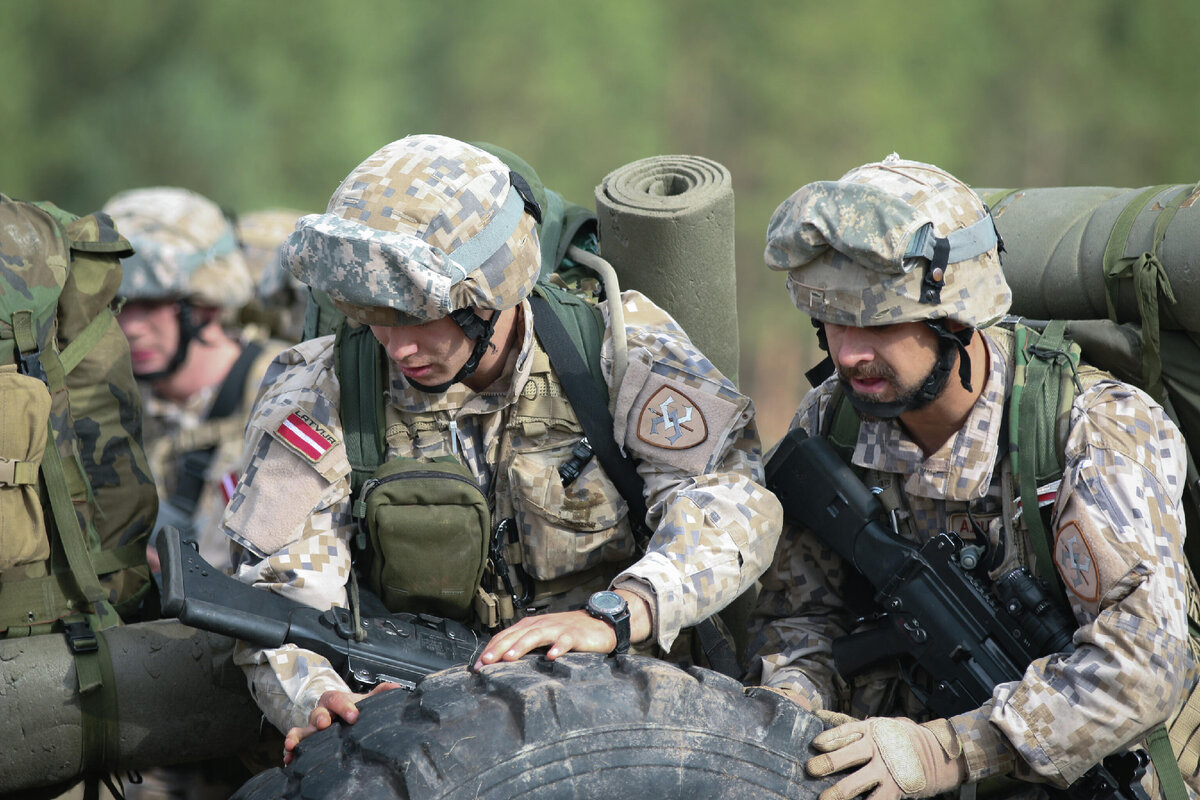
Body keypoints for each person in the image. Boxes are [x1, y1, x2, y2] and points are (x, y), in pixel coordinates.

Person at [218, 134, 782, 760]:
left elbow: (731, 500)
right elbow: (277, 589)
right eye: (373, 316)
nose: (396, 347)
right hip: (423, 727)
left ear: (490, 289)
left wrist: (619, 613)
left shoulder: (616, 350)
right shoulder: (319, 387)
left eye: (416, 317)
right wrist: (320, 696)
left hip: (628, 708)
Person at [746, 155, 1200, 799]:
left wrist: (946, 750)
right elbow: (797, 619)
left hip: (1103, 771)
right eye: (831, 323)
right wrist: (799, 726)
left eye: (876, 323)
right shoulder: (835, 420)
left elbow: (1145, 663)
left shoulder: (1093, 428)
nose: (847, 353)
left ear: (957, 318)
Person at [105, 187, 290, 576]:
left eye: (153, 304)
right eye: (119, 305)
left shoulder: (287, 387)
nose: (132, 327)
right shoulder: (110, 404)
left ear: (205, 303)